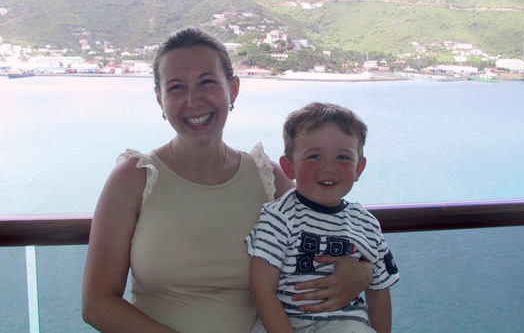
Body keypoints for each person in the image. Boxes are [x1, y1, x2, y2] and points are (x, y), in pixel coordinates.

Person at [82, 28, 373, 333]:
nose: (193, 100)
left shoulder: (269, 180)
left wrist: (365, 272)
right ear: (160, 99)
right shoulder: (135, 177)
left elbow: (334, 230)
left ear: (232, 89)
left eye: (206, 82)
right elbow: (97, 304)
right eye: (176, 87)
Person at [246, 102, 399, 333]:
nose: (329, 168)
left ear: (359, 168)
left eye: (343, 157)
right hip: (283, 322)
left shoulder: (367, 225)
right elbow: (262, 290)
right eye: (314, 156)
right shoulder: (278, 217)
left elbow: (379, 291)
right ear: (289, 167)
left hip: (344, 325)